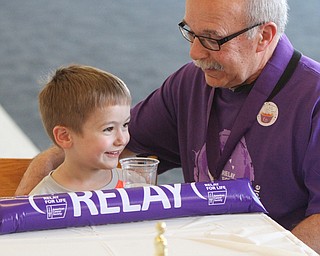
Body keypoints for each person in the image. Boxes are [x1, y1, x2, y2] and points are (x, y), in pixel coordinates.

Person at [15, 0, 320, 252]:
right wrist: (41, 173)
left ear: (264, 36)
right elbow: (113, 146)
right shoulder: (191, 83)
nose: (195, 53)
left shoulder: (313, 98)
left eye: (212, 39)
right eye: (191, 33)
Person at [28, 64, 131, 195]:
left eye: (125, 125)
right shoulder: (42, 200)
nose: (122, 139)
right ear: (64, 136)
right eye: (108, 129)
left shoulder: (134, 184)